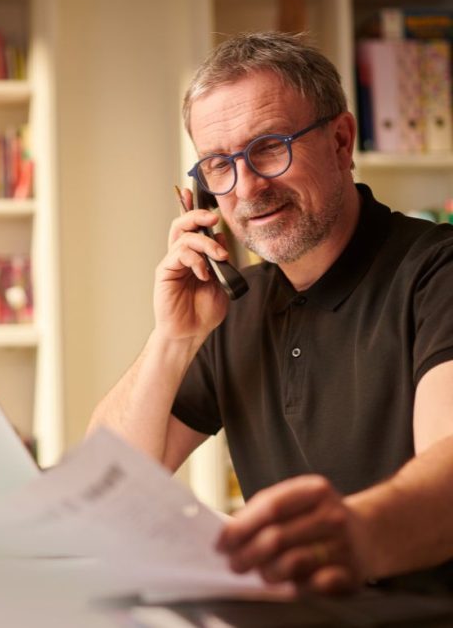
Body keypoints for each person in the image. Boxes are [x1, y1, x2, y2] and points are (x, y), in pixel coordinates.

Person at [88, 31, 453, 595]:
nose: (247, 188)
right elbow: (102, 488)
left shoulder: (437, 273)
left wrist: (349, 536)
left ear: (340, 141)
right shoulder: (231, 307)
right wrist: (173, 339)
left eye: (269, 147)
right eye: (219, 165)